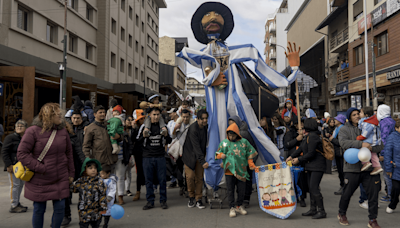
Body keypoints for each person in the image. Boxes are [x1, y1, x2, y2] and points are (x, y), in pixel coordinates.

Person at [17, 103, 74, 228]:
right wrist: (41, 168)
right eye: (58, 114)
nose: (61, 117)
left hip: (60, 176)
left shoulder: (63, 131)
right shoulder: (32, 131)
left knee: (60, 208)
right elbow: (22, 153)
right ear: (48, 116)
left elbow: (69, 153)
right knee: (39, 209)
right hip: (40, 178)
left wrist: (71, 173)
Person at [337, 107, 383, 227]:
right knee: (347, 193)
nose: (357, 116)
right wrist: (361, 144)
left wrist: (371, 148)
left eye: (358, 114)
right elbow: (344, 143)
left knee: (373, 194)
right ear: (349, 117)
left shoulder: (370, 125)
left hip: (370, 168)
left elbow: (380, 144)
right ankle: (342, 213)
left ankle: (373, 219)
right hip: (352, 168)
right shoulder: (344, 129)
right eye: (354, 115)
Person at [287, 118, 327, 219]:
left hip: (317, 166)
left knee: (314, 188)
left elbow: (311, 153)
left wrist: (298, 159)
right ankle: (313, 209)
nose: (302, 126)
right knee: (310, 187)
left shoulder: (313, 136)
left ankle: (322, 211)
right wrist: (292, 156)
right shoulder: (308, 136)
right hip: (311, 165)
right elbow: (301, 148)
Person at [215, 122, 257, 217]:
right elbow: (217, 153)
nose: (231, 137)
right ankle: (232, 207)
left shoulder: (244, 142)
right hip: (229, 171)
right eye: (229, 135)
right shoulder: (224, 143)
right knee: (230, 190)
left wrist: (251, 163)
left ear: (237, 134)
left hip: (242, 170)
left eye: (233, 135)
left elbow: (250, 153)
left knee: (241, 189)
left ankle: (239, 206)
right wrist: (221, 155)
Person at [136, 107, 172, 210]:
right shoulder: (144, 126)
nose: (156, 117)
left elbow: (169, 140)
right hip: (147, 157)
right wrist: (144, 135)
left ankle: (163, 201)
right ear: (149, 115)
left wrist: (165, 135)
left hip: (160, 156)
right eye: (154, 114)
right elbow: (138, 141)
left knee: (162, 180)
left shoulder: (163, 127)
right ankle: (150, 201)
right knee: (149, 181)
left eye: (157, 114)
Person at [182, 109, 208, 209]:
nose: (205, 121)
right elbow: (196, 146)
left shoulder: (206, 128)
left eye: (206, 118)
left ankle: (199, 198)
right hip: (189, 156)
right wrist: (203, 161)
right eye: (202, 119)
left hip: (200, 156)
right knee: (190, 177)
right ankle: (191, 197)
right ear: (197, 119)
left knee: (199, 178)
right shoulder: (193, 129)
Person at [228, 115, 257, 208]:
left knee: (244, 182)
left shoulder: (242, 134)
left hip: (245, 162)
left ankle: (244, 200)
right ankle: (242, 200)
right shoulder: (236, 133)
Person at [71, 158, 107, 228]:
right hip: (83, 211)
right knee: (83, 226)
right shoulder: (81, 181)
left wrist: (103, 209)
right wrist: (68, 182)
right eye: (90, 168)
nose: (93, 170)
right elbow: (73, 189)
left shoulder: (100, 182)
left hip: (96, 211)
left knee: (96, 225)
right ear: (85, 170)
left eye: (95, 168)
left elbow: (103, 196)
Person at [62, 122, 86, 226]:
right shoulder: (53, 138)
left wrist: (86, 164)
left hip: (75, 167)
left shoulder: (73, 137)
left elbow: (80, 152)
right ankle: (66, 215)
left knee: (82, 193)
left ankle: (83, 215)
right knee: (64, 194)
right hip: (61, 169)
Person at [2, 119, 28, 213]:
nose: (19, 128)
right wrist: (8, 165)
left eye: (21, 126)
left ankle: (17, 202)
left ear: (26, 128)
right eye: (18, 126)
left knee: (20, 184)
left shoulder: (25, 138)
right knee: (15, 185)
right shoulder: (10, 138)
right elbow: (4, 152)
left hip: (22, 166)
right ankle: (14, 205)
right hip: (13, 166)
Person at [284, 118, 307, 207]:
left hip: (302, 159)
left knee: (302, 180)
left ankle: (302, 197)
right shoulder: (290, 133)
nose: (301, 125)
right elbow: (287, 144)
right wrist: (297, 139)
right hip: (292, 159)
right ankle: (294, 197)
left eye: (302, 123)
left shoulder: (306, 133)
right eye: (299, 123)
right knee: (292, 180)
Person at [377, 104, 396, 203]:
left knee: (387, 174)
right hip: (394, 150)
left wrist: (383, 154)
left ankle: (390, 195)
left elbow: (384, 139)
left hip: (387, 152)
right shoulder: (392, 121)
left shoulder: (383, 123)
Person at [357, 106, 383, 175]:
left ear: (366, 115)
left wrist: (360, 137)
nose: (359, 114)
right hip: (375, 140)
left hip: (370, 140)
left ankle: (365, 162)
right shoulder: (373, 120)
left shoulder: (367, 122)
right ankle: (377, 166)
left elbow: (366, 132)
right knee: (373, 154)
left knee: (362, 149)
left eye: (361, 112)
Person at [114, 117, 134, 205]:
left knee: (121, 178)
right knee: (112, 178)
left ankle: (120, 196)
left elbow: (130, 145)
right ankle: (112, 196)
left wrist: (128, 156)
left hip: (122, 159)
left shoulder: (125, 134)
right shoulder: (109, 133)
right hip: (111, 159)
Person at [384, 119, 400, 214]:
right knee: (396, 188)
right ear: (396, 128)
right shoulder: (392, 137)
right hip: (396, 168)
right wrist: (389, 168)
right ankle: (393, 203)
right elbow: (388, 154)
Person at [329, 114, 346, 195]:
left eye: (336, 119)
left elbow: (341, 143)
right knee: (340, 171)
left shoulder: (342, 129)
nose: (334, 121)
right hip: (337, 153)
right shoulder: (336, 128)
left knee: (342, 171)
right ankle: (343, 186)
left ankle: (344, 187)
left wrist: (332, 139)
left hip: (341, 153)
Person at [132, 109, 146, 201]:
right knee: (139, 172)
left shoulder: (147, 126)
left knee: (148, 171)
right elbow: (133, 139)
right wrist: (133, 128)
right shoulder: (135, 128)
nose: (143, 120)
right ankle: (138, 192)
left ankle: (150, 190)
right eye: (141, 118)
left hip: (147, 152)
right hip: (138, 153)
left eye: (143, 118)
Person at [124, 115, 135, 196]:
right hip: (124, 152)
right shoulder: (122, 130)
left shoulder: (133, 130)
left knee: (129, 171)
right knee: (122, 172)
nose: (130, 122)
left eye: (131, 120)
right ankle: (121, 189)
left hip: (131, 153)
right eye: (128, 120)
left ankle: (127, 189)